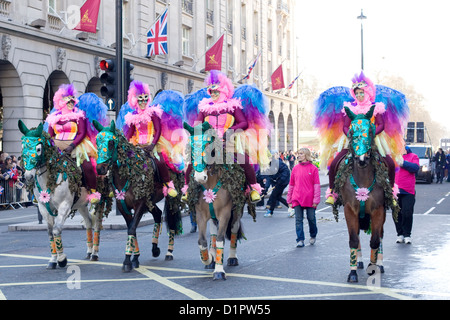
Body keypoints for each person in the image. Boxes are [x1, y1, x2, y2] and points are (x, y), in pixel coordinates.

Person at [313, 72, 406, 207]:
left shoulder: (375, 107)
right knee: (334, 164)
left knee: (390, 164)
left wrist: (372, 132)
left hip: (374, 140)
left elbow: (381, 124)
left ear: (367, 93)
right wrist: (350, 133)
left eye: (361, 93)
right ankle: (333, 193)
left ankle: (390, 192)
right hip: (352, 140)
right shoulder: (350, 108)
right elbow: (345, 126)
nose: (359, 96)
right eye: (356, 94)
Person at [182, 70, 269, 203]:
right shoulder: (204, 108)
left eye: (216, 91)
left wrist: (229, 132)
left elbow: (244, 123)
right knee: (193, 161)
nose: (214, 94)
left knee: (243, 159)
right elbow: (197, 125)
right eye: (211, 92)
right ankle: (187, 189)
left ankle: (253, 188)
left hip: (228, 141)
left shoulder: (232, 106)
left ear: (223, 91)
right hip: (208, 143)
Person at [45, 84, 105, 204]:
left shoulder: (79, 115)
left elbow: (82, 133)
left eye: (73, 100)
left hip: (76, 146)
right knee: (42, 166)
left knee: (87, 166)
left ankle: (93, 191)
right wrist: (52, 146)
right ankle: (41, 192)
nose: (71, 102)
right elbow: (50, 135)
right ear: (61, 102)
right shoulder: (53, 118)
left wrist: (72, 146)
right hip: (57, 148)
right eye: (68, 100)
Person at [123, 80, 177, 197]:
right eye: (140, 99)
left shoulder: (153, 113)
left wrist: (152, 144)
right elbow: (130, 133)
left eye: (145, 98)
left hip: (152, 144)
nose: (143, 101)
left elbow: (158, 130)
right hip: (137, 146)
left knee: (160, 162)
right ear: (135, 100)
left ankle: (167, 185)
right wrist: (125, 144)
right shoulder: (132, 115)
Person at [287, 148, 320, 247]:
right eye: (298, 153)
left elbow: (317, 185)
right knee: (298, 220)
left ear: (306, 155)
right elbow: (291, 184)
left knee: (311, 218)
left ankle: (313, 235)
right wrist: (289, 199)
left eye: (301, 153)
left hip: (310, 199)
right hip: (297, 197)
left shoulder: (313, 168)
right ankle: (300, 239)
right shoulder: (295, 168)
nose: (299, 155)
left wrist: (316, 200)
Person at [394, 145, 419, 244]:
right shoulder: (394, 156)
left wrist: (403, 163)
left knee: (407, 212)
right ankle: (400, 234)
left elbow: (415, 168)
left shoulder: (413, 156)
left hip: (408, 190)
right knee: (396, 213)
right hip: (395, 190)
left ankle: (407, 234)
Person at [264, 152, 291, 217]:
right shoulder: (269, 166)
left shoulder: (278, 163)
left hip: (283, 182)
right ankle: (291, 208)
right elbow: (269, 178)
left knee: (273, 195)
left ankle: (270, 211)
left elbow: (285, 171)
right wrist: (265, 189)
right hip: (279, 182)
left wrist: (280, 181)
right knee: (277, 196)